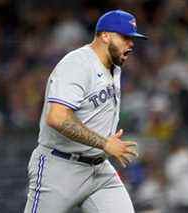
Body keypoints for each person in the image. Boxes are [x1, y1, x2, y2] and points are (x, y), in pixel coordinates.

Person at [24, 9, 147, 213]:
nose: (131, 44)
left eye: (132, 39)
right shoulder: (77, 64)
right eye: (125, 37)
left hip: (99, 169)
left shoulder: (115, 67)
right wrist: (105, 142)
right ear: (105, 36)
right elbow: (56, 117)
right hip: (60, 167)